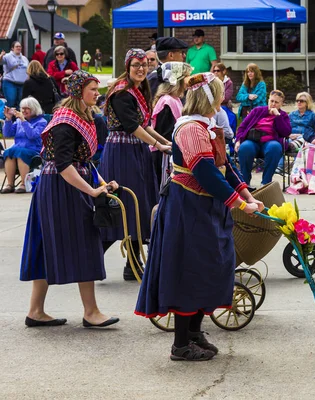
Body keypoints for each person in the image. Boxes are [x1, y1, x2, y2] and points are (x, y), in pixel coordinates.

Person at [134, 72, 264, 361]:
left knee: (209, 267)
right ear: (210, 98)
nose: (224, 97)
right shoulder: (191, 129)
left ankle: (194, 332)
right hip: (188, 207)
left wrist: (247, 194)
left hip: (205, 207)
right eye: (220, 93)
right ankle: (181, 343)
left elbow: (225, 166)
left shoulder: (207, 126)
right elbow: (205, 173)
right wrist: (239, 204)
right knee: (190, 270)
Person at [20, 70, 119, 328]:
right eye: (93, 90)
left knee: (46, 243)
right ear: (78, 92)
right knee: (85, 242)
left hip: (65, 185)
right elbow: (64, 165)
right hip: (60, 188)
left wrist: (101, 183)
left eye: (98, 90)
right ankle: (91, 312)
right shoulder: (66, 122)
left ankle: (36, 311)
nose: (98, 95)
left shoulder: (81, 117)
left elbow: (82, 161)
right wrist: (92, 190)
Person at [100, 49, 172, 281]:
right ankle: (96, 257)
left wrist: (164, 141)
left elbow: (143, 124)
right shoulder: (122, 93)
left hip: (135, 150)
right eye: (136, 65)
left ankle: (132, 264)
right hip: (122, 152)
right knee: (125, 204)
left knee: (139, 204)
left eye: (144, 64)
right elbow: (132, 126)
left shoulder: (138, 90)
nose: (141, 68)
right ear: (127, 67)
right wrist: (157, 145)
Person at [235, 89, 291, 187]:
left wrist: (278, 116)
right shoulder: (257, 111)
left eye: (276, 102)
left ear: (281, 104)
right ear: (268, 100)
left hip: (270, 142)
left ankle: (265, 183)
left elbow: (286, 132)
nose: (273, 104)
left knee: (275, 147)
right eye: (271, 101)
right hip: (253, 141)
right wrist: (238, 140)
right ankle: (245, 182)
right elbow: (242, 127)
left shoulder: (283, 115)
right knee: (245, 147)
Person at [151, 62, 193, 185]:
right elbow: (165, 132)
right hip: (163, 156)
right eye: (186, 76)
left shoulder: (175, 100)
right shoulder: (167, 103)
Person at [0, 97, 46, 193]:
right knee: (9, 152)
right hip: (19, 149)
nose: (23, 111)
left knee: (20, 152)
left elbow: (32, 135)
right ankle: (10, 184)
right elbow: (7, 134)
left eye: (27, 108)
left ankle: (24, 184)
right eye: (22, 108)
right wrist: (8, 119)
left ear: (34, 108)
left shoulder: (41, 122)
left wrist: (24, 121)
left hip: (34, 150)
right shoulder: (18, 121)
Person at [276, 92, 315, 173]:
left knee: (298, 144)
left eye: (301, 101)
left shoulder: (312, 115)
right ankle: (280, 166)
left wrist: (301, 135)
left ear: (307, 102)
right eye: (297, 100)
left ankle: (296, 167)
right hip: (291, 137)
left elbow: (313, 130)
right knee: (282, 142)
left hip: (304, 138)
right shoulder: (292, 114)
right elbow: (286, 127)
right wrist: (289, 134)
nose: (299, 102)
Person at [0, 42, 29, 109]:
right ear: (12, 48)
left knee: (20, 103)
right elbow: (1, 61)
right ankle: (9, 118)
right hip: (10, 82)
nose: (19, 48)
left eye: (20, 46)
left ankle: (18, 118)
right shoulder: (8, 56)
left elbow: (28, 70)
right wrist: (1, 55)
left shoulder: (24, 58)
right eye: (17, 46)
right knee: (11, 102)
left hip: (22, 84)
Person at [211, 62, 236, 133]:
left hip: (223, 106)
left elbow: (226, 97)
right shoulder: (211, 82)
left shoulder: (228, 83)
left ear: (224, 71)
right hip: (213, 107)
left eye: (218, 70)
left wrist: (214, 100)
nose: (216, 72)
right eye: (214, 71)